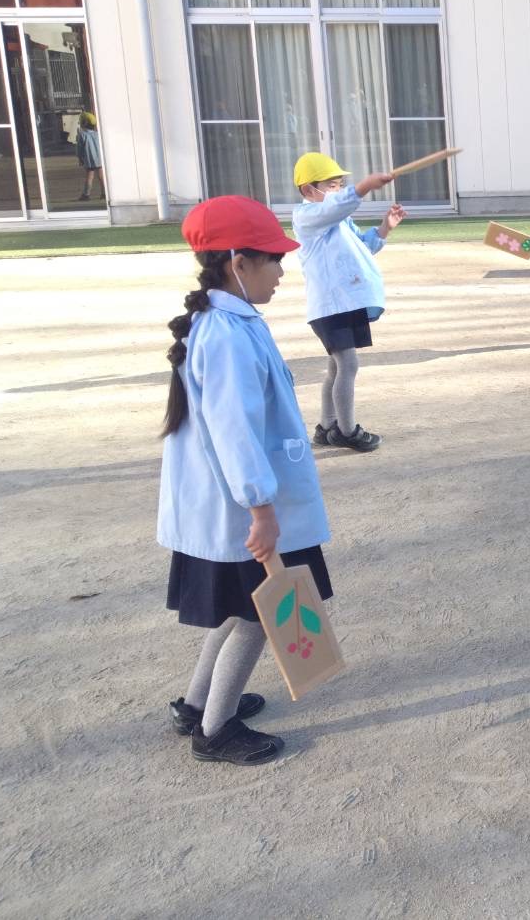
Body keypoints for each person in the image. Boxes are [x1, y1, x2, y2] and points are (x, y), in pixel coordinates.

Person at [159, 195, 334, 764]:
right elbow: (234, 430)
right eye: (273, 259)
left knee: (240, 607)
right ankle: (216, 730)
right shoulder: (227, 335)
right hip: (245, 507)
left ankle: (197, 704)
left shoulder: (228, 323)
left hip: (240, 502)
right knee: (262, 614)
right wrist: (261, 510)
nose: (282, 271)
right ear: (238, 262)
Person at [291, 152, 406, 452]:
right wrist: (364, 186)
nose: (338, 190)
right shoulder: (307, 217)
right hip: (330, 306)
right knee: (348, 365)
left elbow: (364, 247)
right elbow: (336, 207)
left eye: (340, 185)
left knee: (336, 367)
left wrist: (385, 228)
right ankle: (347, 431)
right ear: (308, 190)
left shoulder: (339, 219)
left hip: (345, 303)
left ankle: (326, 426)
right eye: (331, 185)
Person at [75, 111, 102, 201]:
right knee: (101, 176)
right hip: (100, 159)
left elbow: (79, 149)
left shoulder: (82, 135)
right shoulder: (97, 134)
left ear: (83, 123)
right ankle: (104, 193)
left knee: (89, 177)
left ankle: (86, 194)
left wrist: (80, 158)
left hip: (89, 160)